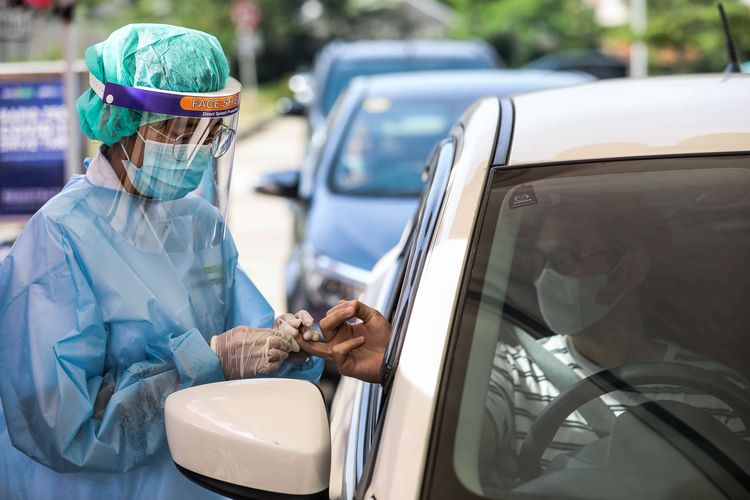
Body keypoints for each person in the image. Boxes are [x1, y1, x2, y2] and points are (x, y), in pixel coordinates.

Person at [0, 24, 322, 499]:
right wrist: (207, 362)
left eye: (208, 132)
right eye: (178, 131)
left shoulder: (199, 224)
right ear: (121, 122)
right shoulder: (59, 241)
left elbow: (242, 344)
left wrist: (285, 350)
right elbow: (63, 429)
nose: (194, 150)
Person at [298, 208, 749, 488]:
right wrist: (399, 366)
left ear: (628, 271)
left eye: (566, 259)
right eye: (540, 260)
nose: (545, 277)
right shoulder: (511, 371)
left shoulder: (718, 392)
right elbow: (459, 441)